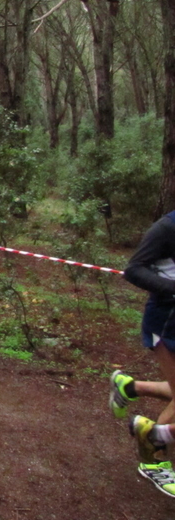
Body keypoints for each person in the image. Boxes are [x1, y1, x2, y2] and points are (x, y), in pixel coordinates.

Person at [113, 210, 175, 497]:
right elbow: (134, 269)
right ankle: (153, 457)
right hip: (166, 323)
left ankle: (131, 387)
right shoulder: (167, 228)